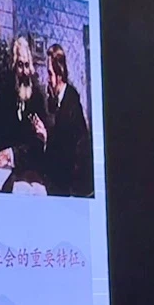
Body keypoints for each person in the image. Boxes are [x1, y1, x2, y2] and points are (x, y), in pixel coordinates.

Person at [0, 35, 47, 177]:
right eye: (20, 65)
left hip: (30, 169)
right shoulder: (7, 92)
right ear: (14, 66)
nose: (24, 71)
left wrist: (12, 154)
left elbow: (39, 142)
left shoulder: (38, 96)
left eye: (27, 65)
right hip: (7, 169)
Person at [40, 43, 94, 197]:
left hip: (73, 188)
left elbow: (64, 155)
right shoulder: (60, 99)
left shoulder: (70, 103)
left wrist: (45, 137)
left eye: (49, 74)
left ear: (59, 74)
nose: (47, 80)